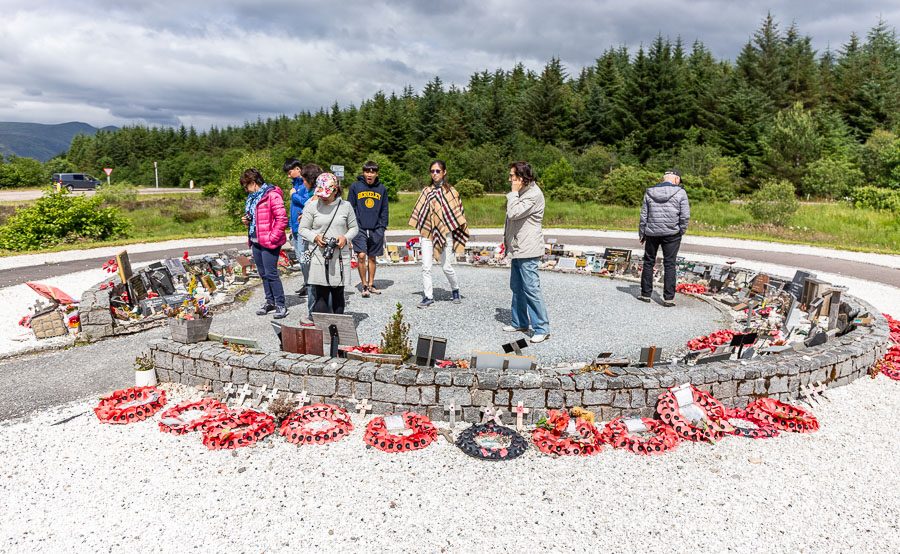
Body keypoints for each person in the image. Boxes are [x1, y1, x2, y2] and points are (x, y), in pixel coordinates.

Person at [408, 160, 468, 308]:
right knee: (426, 267)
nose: (435, 174)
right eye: (432, 171)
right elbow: (420, 212)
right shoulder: (426, 191)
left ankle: (455, 289)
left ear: (444, 172)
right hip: (428, 233)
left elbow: (457, 213)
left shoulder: (451, 192)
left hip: (445, 233)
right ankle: (428, 296)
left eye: (438, 171)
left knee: (446, 266)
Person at [503, 161, 550, 343]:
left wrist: (513, 194)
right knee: (517, 287)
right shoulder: (523, 192)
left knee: (531, 289)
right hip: (517, 248)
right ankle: (520, 322)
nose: (510, 179)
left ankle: (542, 328)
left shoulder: (533, 195)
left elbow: (514, 213)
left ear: (521, 178)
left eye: (512, 176)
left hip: (528, 249)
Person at [299, 172, 358, 315]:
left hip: (339, 256)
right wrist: (315, 237)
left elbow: (354, 228)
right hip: (319, 255)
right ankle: (323, 329)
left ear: (335, 190)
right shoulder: (312, 206)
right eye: (320, 194)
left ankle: (338, 329)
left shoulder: (346, 206)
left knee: (338, 292)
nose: (323, 198)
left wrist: (345, 237)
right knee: (321, 294)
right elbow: (303, 228)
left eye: (326, 195)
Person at [240, 168, 288, 319]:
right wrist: (246, 221)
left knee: (271, 273)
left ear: (253, 183)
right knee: (263, 274)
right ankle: (270, 301)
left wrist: (272, 237)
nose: (246, 190)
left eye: (246, 186)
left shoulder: (272, 195)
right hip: (255, 240)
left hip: (269, 241)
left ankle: (280, 304)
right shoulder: (252, 198)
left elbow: (282, 219)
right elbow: (255, 218)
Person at [638, 168, 690, 306]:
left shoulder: (650, 191)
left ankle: (645, 294)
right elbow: (684, 216)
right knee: (670, 264)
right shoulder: (680, 192)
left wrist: (642, 233)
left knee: (648, 262)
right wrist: (681, 231)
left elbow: (644, 215)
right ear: (677, 179)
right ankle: (668, 298)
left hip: (652, 233)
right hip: (672, 233)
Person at [348, 161, 389, 298]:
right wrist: (351, 225)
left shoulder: (382, 188)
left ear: (376, 173)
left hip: (376, 228)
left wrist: (382, 227)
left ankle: (371, 284)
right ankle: (364, 285)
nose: (369, 174)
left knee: (372, 257)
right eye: (367, 171)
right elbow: (350, 207)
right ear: (363, 172)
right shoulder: (355, 186)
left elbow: (385, 209)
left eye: (372, 172)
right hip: (359, 227)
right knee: (361, 255)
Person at [284, 158, 313, 296]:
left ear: (298, 169)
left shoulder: (306, 184)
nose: (288, 175)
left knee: (304, 257)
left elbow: (308, 202)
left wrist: (294, 195)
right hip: (295, 227)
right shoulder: (294, 185)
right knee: (299, 257)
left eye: (290, 172)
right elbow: (293, 209)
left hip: (304, 226)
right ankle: (306, 282)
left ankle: (310, 284)